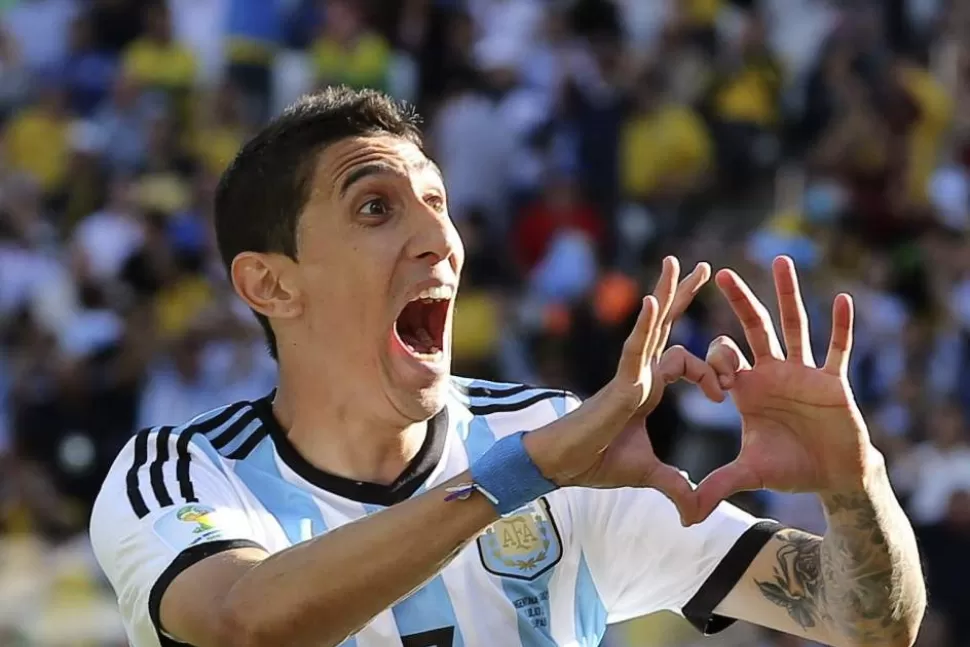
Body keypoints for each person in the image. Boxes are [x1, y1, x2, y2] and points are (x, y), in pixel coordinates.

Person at [88, 87, 925, 647]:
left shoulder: (555, 442)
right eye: (376, 206)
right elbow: (244, 621)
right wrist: (515, 477)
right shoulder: (183, 474)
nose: (441, 238)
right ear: (271, 283)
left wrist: (855, 485)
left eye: (439, 204)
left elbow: (866, 621)